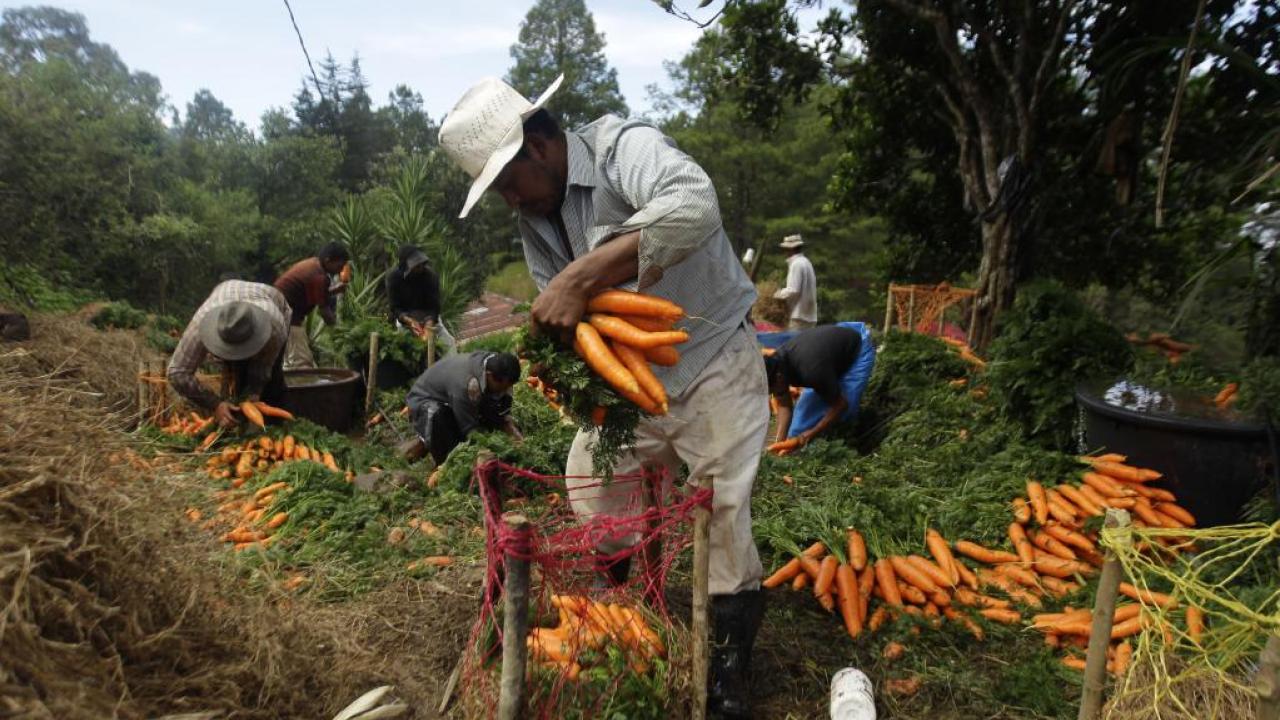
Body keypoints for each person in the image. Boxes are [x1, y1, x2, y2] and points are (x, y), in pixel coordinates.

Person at [440, 74, 768, 718]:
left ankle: (727, 668)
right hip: (631, 379)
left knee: (722, 509)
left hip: (711, 359)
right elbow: (572, 319)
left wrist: (584, 274)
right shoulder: (537, 220)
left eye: (507, 184)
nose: (510, 201)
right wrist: (568, 372)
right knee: (591, 475)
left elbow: (696, 204)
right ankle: (620, 608)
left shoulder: (624, 148)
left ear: (536, 146)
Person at [167, 280, 291, 429]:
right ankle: (233, 421)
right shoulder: (200, 325)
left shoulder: (275, 328)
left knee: (271, 385)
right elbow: (177, 374)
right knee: (235, 382)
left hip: (275, 306)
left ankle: (274, 429)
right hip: (226, 294)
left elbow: (264, 365)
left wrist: (255, 391)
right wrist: (215, 404)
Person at [764, 323, 877, 448]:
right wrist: (779, 443)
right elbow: (784, 406)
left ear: (779, 378)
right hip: (826, 353)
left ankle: (849, 445)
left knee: (845, 414)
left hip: (856, 348)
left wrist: (808, 436)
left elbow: (840, 405)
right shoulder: (777, 365)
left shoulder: (811, 372)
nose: (773, 394)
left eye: (771, 390)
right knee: (797, 429)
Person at [401, 351, 522, 465]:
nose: (504, 390)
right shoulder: (468, 385)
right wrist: (490, 448)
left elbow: (502, 415)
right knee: (455, 447)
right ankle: (443, 465)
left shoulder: (498, 367)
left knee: (489, 414)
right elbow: (471, 430)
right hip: (424, 403)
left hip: (454, 400)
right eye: (501, 387)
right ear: (489, 375)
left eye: (508, 386)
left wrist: (517, 440)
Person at [273, 242, 350, 369]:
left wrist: (335, 290)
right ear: (328, 260)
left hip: (277, 312)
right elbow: (324, 311)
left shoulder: (313, 264)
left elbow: (315, 293)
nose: (341, 270)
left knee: (290, 362)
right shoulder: (318, 276)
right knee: (302, 363)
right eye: (340, 265)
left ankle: (289, 386)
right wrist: (342, 332)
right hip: (287, 318)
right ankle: (302, 388)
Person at [386, 245, 454, 353]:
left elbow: (434, 307)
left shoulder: (430, 277)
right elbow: (395, 308)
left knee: (449, 344)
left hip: (429, 318)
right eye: (416, 266)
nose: (420, 268)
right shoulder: (394, 279)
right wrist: (410, 322)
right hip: (406, 320)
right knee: (406, 351)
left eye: (421, 264)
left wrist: (428, 325)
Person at [772, 234, 817, 330]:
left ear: (791, 249)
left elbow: (793, 290)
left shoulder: (797, 264)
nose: (784, 252)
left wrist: (777, 294)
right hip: (809, 315)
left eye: (785, 249)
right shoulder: (806, 262)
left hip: (798, 315)